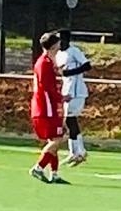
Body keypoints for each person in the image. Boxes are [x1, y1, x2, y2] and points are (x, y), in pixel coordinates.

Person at [29, 31, 69, 184]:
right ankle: (38, 167)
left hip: (47, 106)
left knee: (54, 139)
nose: (60, 46)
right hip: (46, 108)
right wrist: (61, 97)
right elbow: (47, 87)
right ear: (53, 46)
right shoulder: (44, 63)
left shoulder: (46, 62)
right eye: (58, 44)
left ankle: (54, 173)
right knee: (58, 139)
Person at [54, 30, 92, 166]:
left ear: (66, 40)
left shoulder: (74, 51)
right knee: (70, 121)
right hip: (67, 91)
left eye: (60, 39)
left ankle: (79, 151)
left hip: (77, 92)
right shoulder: (58, 54)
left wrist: (70, 72)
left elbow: (87, 65)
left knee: (70, 120)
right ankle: (75, 152)